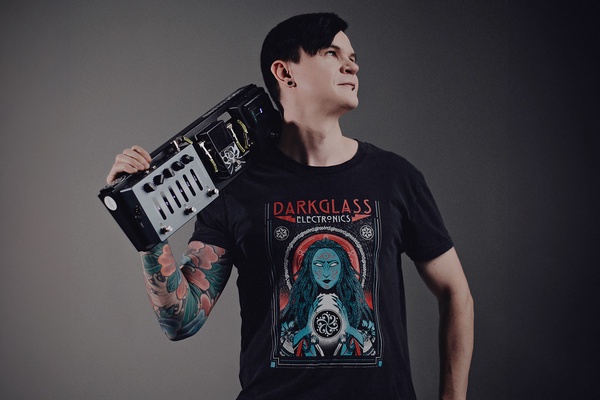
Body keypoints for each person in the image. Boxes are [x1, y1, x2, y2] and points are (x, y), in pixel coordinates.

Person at [106, 12, 474, 400]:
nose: (352, 66)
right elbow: (181, 320)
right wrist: (142, 223)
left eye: (352, 57)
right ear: (285, 73)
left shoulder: (396, 178)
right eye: (331, 53)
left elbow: (456, 293)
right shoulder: (236, 189)